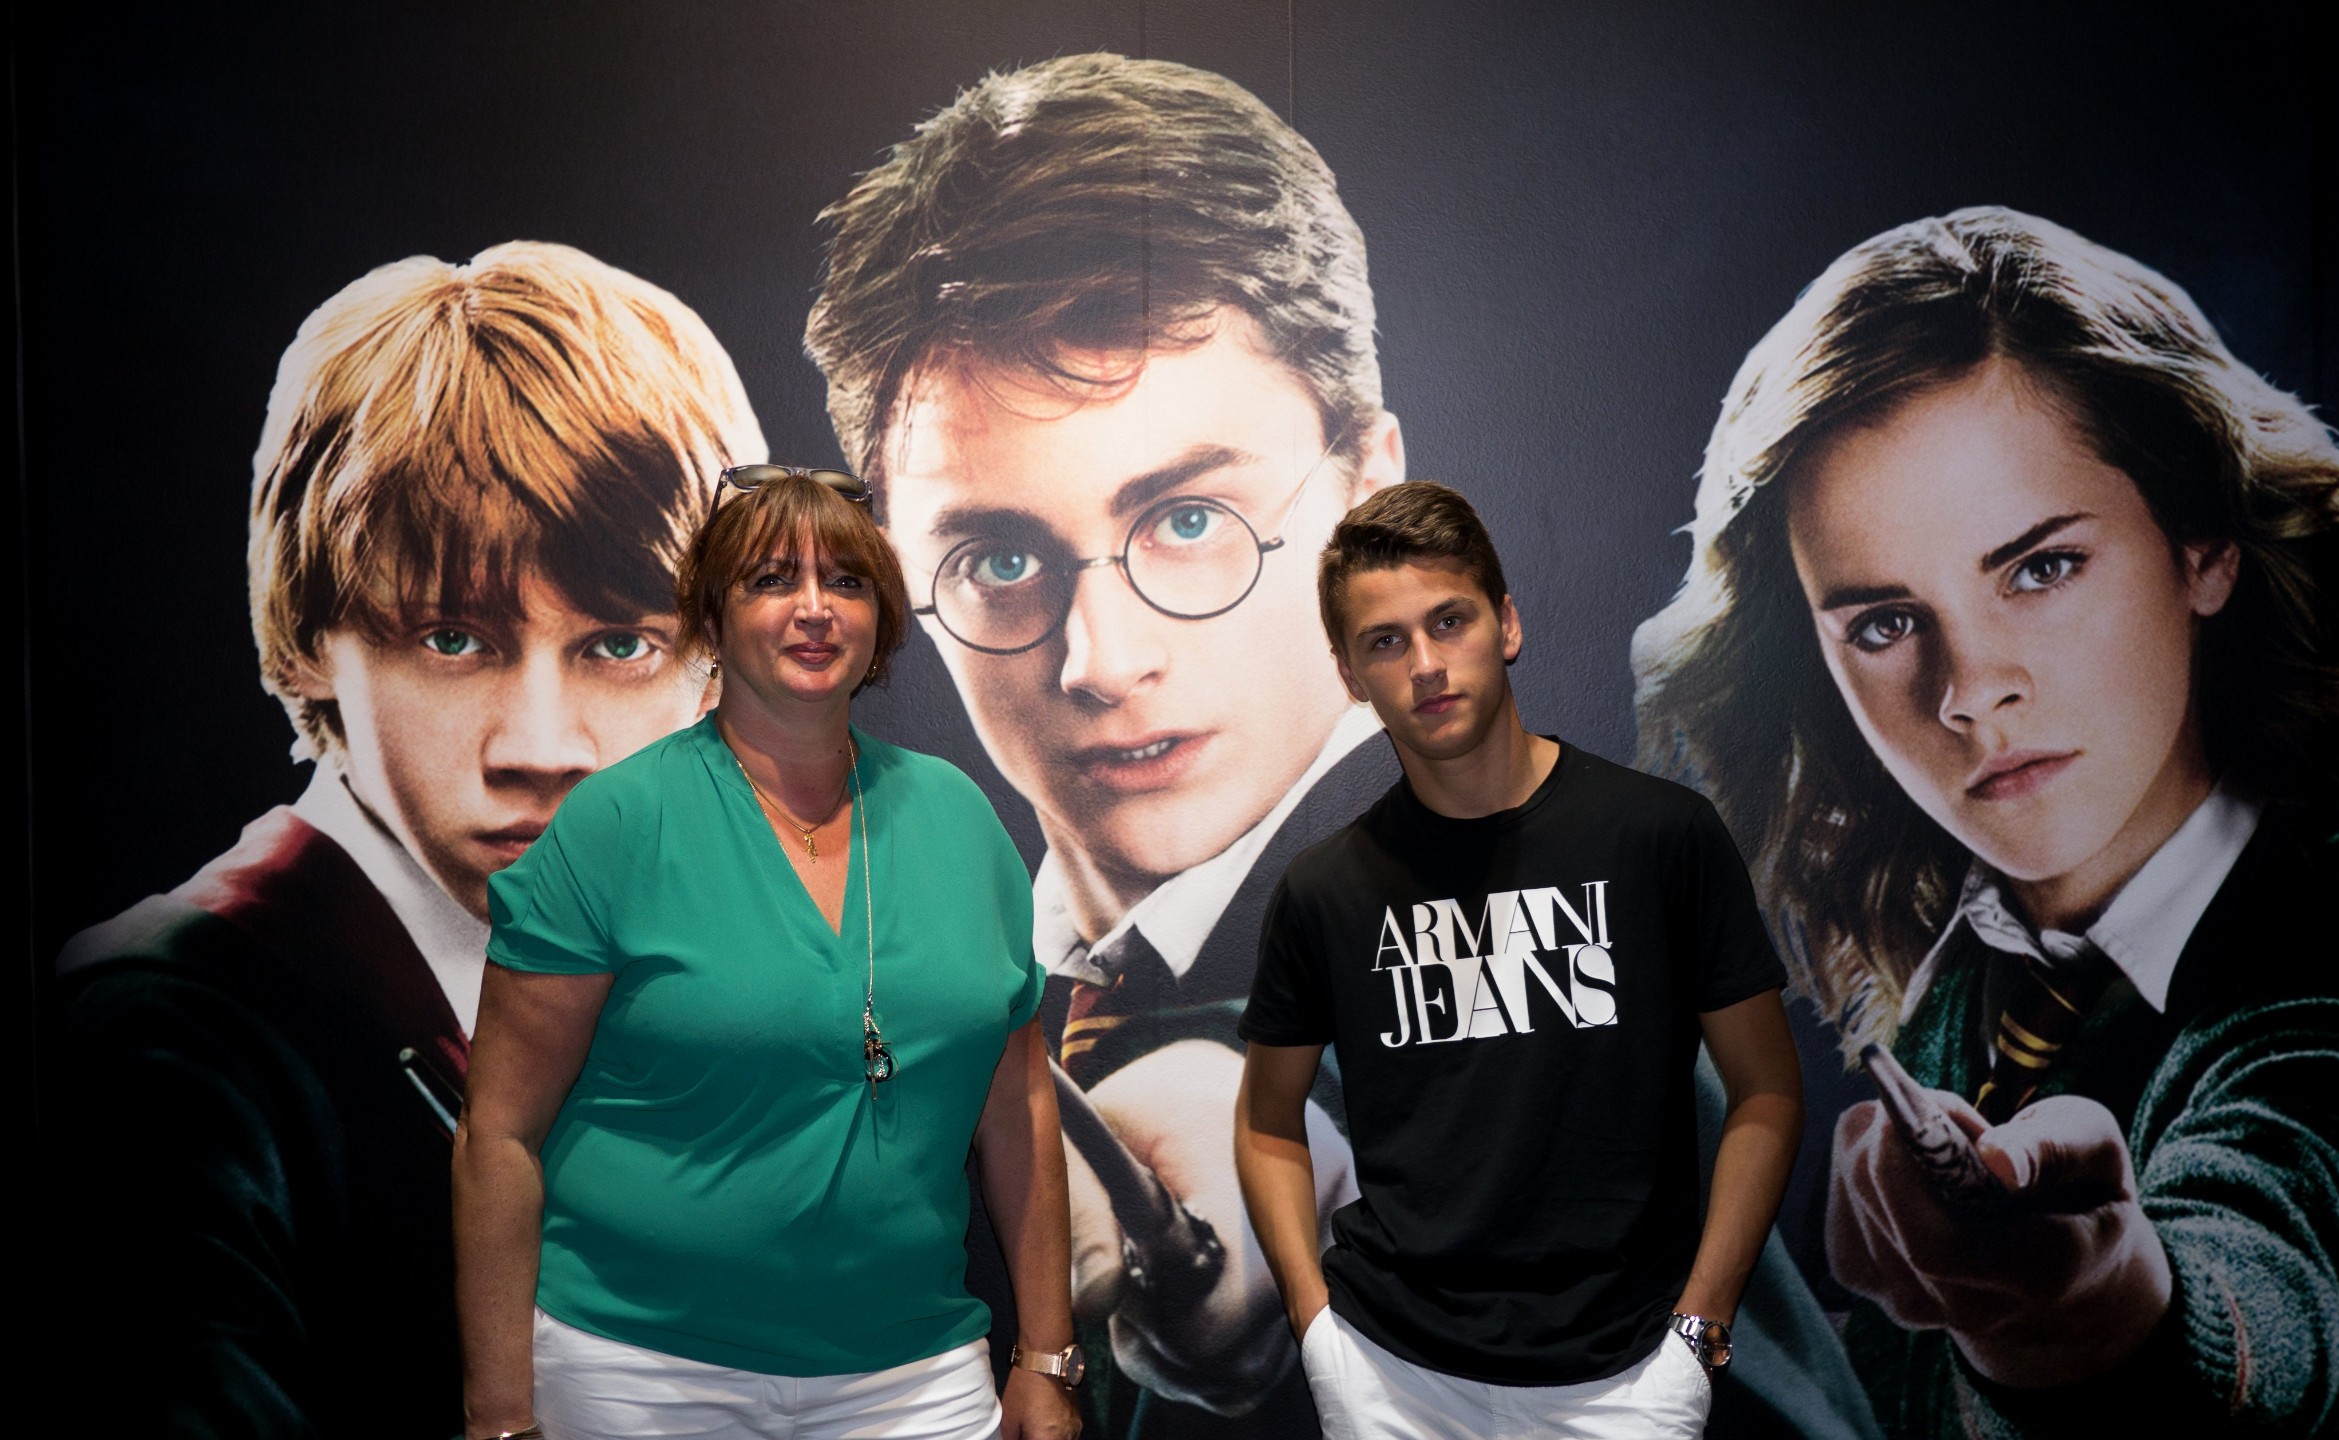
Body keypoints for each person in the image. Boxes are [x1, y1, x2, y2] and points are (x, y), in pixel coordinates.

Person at [805, 55, 1875, 1440]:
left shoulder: (1536, 914)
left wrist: (1276, 1138)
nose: (1100, 660)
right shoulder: (940, 997)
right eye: (997, 557)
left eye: (1189, 521)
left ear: (1368, 488)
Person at [1630, 207, 2339, 1438]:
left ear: (2202, 542)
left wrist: (2093, 1311)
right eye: (1885, 623)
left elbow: (2274, 1278)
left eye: (2041, 567)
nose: (1970, 689)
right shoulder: (1972, 978)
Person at [48, 241, 764, 1438]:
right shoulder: (164, 1046)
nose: (541, 745)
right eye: (453, 640)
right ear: (306, 642)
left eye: (620, 645)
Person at [454, 469, 1081, 1440]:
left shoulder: (958, 817)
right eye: (771, 580)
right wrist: (499, 1416)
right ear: (712, 615)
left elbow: (1020, 1103)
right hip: (641, 1376)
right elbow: (497, 1135)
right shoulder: (616, 823)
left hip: (915, 1372)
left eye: (847, 581)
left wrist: (1046, 1356)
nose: (814, 608)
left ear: (882, 619)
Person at [1235, 482, 1807, 1439]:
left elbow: (1768, 1091)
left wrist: (1700, 1328)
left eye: (1447, 621)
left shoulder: (1657, 836)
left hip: (1628, 1378)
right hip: (1390, 1380)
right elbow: (1265, 1123)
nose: (1425, 664)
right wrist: (1316, 1329)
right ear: (1350, 675)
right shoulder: (1324, 889)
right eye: (1385, 641)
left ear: (1505, 623)